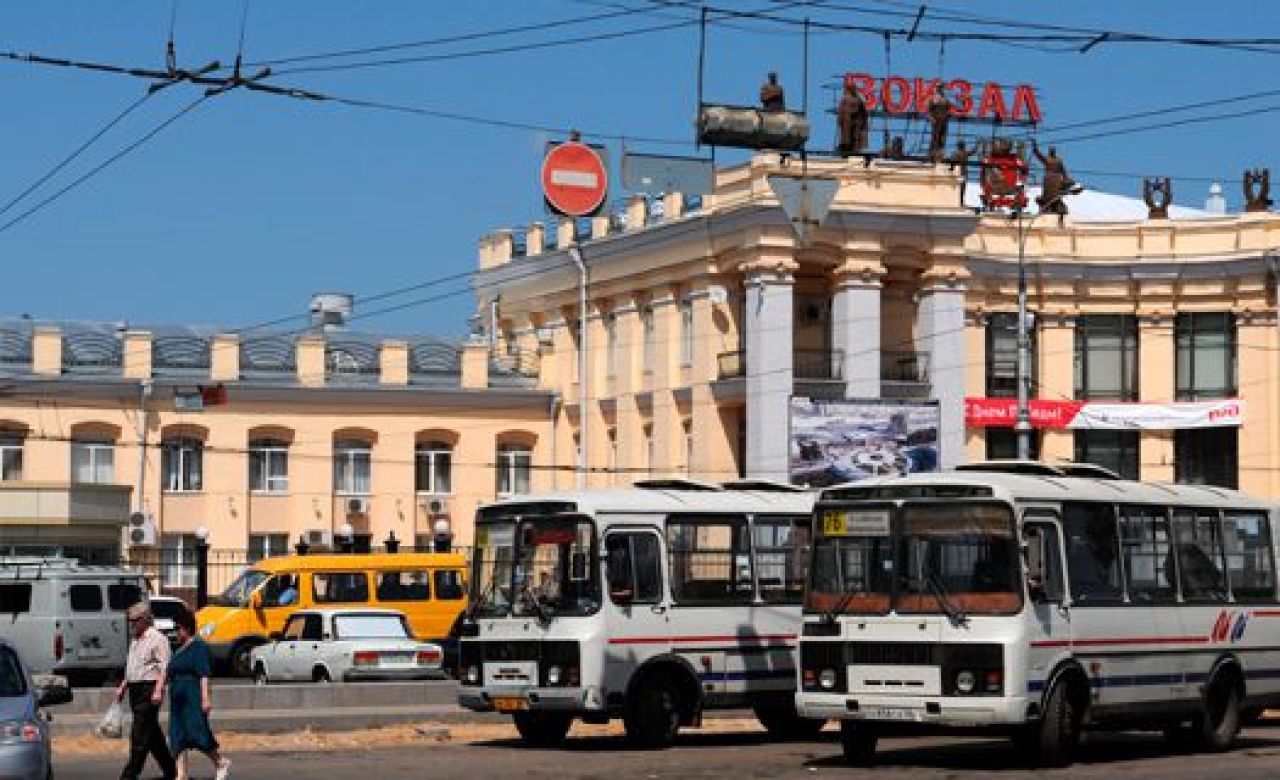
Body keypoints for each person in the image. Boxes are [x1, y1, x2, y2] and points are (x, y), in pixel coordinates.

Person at [154, 608, 230, 780]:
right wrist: (159, 689)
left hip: (192, 696)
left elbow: (204, 674)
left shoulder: (198, 647)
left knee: (198, 732)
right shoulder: (178, 650)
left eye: (178, 628)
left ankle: (220, 762)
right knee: (177, 735)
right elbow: (167, 671)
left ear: (187, 628)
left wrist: (205, 698)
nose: (176, 632)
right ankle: (181, 774)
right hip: (177, 699)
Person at [116, 602, 178, 780]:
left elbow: (165, 666)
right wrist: (123, 685)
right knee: (151, 734)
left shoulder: (158, 638)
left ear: (145, 619)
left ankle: (129, 775)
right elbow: (133, 666)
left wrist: (158, 689)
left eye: (135, 620)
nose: (132, 624)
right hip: (135, 689)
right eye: (130, 621)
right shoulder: (136, 639)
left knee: (139, 734)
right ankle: (171, 770)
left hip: (148, 688)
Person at [836, 82, 868, 156]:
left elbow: (864, 114)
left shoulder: (857, 100)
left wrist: (862, 124)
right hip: (848, 124)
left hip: (854, 124)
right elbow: (841, 113)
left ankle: (851, 149)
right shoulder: (845, 99)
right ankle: (847, 149)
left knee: (853, 139)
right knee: (847, 138)